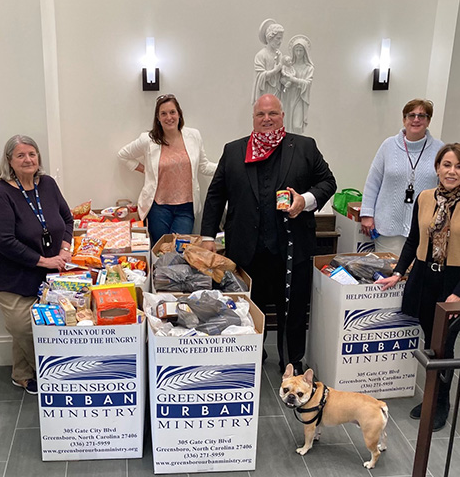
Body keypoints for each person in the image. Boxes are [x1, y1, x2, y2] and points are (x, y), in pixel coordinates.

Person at [201, 94, 337, 374]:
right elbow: (215, 196)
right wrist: (207, 238)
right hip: (246, 250)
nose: (267, 119)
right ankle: (252, 357)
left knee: (293, 310)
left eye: (272, 113)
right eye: (261, 114)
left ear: (282, 116)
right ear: (253, 118)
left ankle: (291, 362)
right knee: (249, 308)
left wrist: (305, 200)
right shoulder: (233, 150)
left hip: (291, 249)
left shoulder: (305, 147)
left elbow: (328, 182)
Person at [375, 143, 460, 431]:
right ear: (437, 168)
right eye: (447, 165)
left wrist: (459, 293)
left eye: (459, 166)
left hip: (455, 284)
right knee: (430, 342)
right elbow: (413, 241)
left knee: (445, 346)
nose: (452, 171)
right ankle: (432, 396)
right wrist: (398, 273)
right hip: (424, 279)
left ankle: (441, 403)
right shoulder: (425, 198)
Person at [0, 135, 74, 394]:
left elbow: (67, 219)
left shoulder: (48, 184)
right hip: (8, 273)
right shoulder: (2, 192)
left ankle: (21, 374)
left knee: (36, 321)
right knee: (23, 326)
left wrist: (65, 249)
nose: (28, 159)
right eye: (20, 155)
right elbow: (3, 240)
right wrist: (44, 260)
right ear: (9, 161)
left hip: (44, 271)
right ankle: (52, 376)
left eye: (32, 154)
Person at [118, 94, 216, 243]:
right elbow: (123, 155)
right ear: (158, 118)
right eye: (163, 113)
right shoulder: (148, 140)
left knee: (179, 251)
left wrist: (226, 166)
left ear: (179, 114)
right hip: (158, 208)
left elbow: (203, 166)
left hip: (186, 207)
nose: (169, 117)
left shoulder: (194, 136)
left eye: (172, 112)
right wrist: (146, 170)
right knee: (160, 250)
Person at [360, 99, 443, 255]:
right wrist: (367, 214)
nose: (416, 120)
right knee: (388, 269)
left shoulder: (440, 149)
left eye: (422, 116)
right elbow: (373, 182)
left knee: (416, 270)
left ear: (428, 121)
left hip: (423, 229)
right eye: (411, 115)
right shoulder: (388, 146)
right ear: (404, 120)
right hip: (388, 228)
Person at [280, 35, 315, 135]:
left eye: (301, 51)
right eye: (297, 50)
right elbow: (281, 78)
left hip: (299, 97)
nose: (298, 53)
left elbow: (308, 83)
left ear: (305, 52)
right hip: (288, 97)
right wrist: (284, 82)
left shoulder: (309, 68)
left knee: (297, 125)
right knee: (286, 124)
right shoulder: (289, 65)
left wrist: (294, 80)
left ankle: (297, 144)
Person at [253, 19, 285, 102]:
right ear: (269, 38)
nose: (280, 42)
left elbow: (282, 74)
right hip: (266, 91)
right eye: (278, 38)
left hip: (277, 91)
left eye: (281, 39)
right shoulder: (261, 55)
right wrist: (275, 71)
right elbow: (260, 77)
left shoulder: (279, 54)